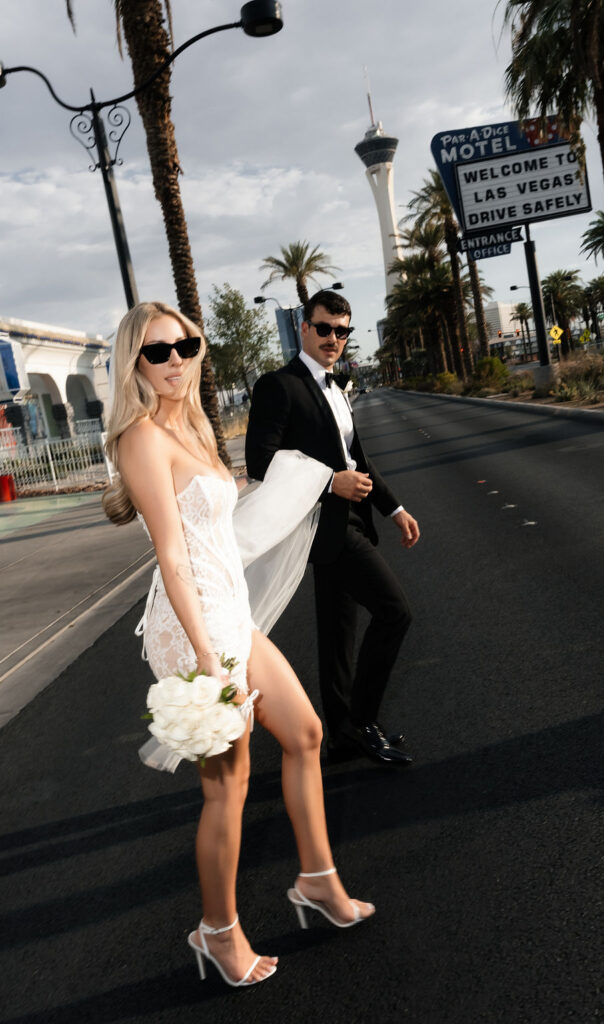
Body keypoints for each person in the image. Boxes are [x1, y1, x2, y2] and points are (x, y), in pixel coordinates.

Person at [103, 300, 374, 990]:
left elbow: (222, 531)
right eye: (156, 352)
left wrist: (303, 488)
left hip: (228, 609)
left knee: (306, 732)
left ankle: (317, 880)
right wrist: (202, 655)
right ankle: (217, 931)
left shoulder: (192, 428)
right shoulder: (141, 437)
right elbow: (170, 553)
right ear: (134, 363)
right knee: (227, 783)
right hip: (191, 623)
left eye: (184, 346)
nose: (174, 361)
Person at [246, 289, 420, 768]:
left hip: (354, 522)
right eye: (324, 328)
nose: (333, 338)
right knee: (394, 611)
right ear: (304, 327)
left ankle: (343, 736)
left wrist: (395, 508)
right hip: (322, 526)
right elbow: (260, 462)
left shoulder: (337, 389)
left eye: (342, 331)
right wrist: (328, 482)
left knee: (337, 635)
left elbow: (357, 461)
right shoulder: (277, 386)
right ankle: (363, 724)